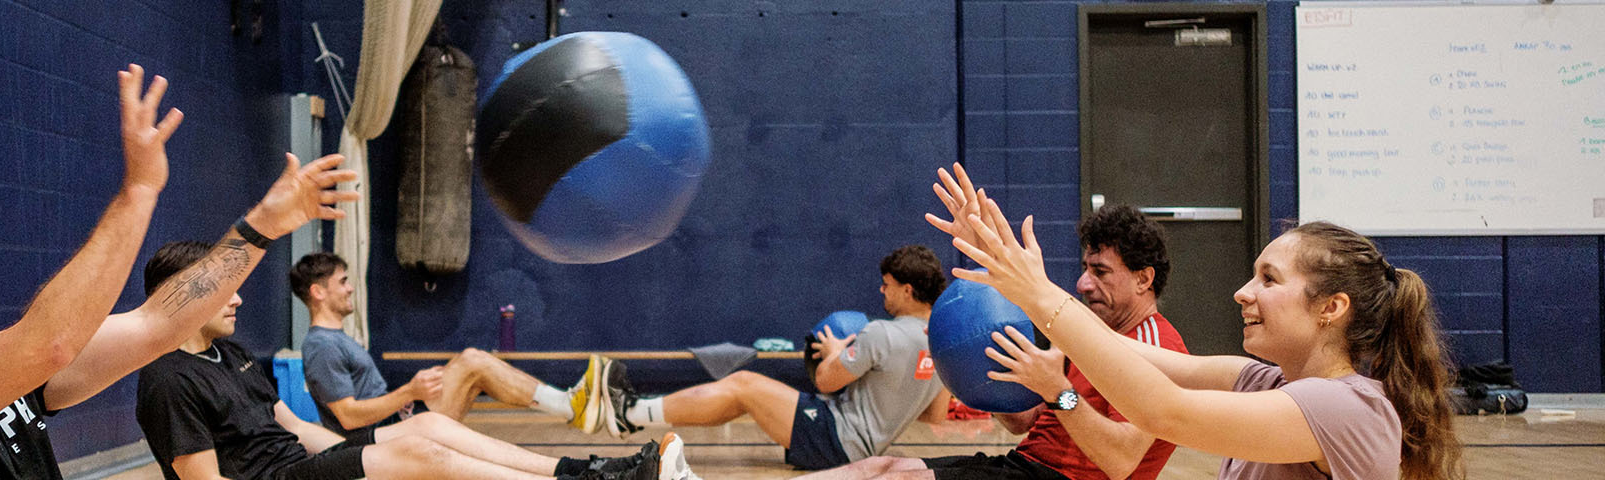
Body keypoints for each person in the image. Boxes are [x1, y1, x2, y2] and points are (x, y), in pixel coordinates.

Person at [0, 63, 360, 479]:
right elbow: (50, 343)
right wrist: (140, 190)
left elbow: (154, 325)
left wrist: (263, 223)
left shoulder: (1, 377)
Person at [924, 164, 1462, 480]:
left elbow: (1164, 411)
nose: (1242, 293)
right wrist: (1011, 271)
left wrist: (1037, 297)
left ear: (1331, 307)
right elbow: (1117, 350)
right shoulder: (1265, 381)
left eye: (1268, 280)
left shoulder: (1348, 405)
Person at [133, 242, 695, 480]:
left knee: (427, 429)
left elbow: (297, 426)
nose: (236, 298)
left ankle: (583, 470)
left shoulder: (229, 353)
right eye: (220, 289)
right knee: (428, 432)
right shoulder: (166, 381)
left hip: (302, 461)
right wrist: (387, 437)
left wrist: (363, 458)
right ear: (177, 299)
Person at [797, 205, 1189, 480]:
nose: (1084, 284)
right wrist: (982, 378)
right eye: (1085, 269)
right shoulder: (1090, 332)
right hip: (1025, 466)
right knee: (881, 467)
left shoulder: (1158, 347)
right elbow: (1022, 423)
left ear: (1144, 279)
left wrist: (1058, 391)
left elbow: (1120, 461)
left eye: (1101, 271)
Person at [597, 246, 954, 470]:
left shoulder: (881, 333)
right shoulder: (942, 344)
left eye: (887, 285)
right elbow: (935, 415)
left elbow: (826, 381)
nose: (882, 291)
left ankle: (628, 413)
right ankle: (634, 413)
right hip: (859, 446)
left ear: (907, 290)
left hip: (837, 440)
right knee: (743, 399)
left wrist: (836, 353)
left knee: (743, 385)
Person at [292, 252, 609, 435]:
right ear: (318, 292)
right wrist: (409, 392)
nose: (350, 289)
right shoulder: (321, 346)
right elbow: (348, 417)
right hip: (381, 439)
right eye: (342, 282)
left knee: (472, 368)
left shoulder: (334, 339)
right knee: (473, 361)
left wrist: (411, 394)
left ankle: (570, 405)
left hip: (396, 421)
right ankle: (570, 406)